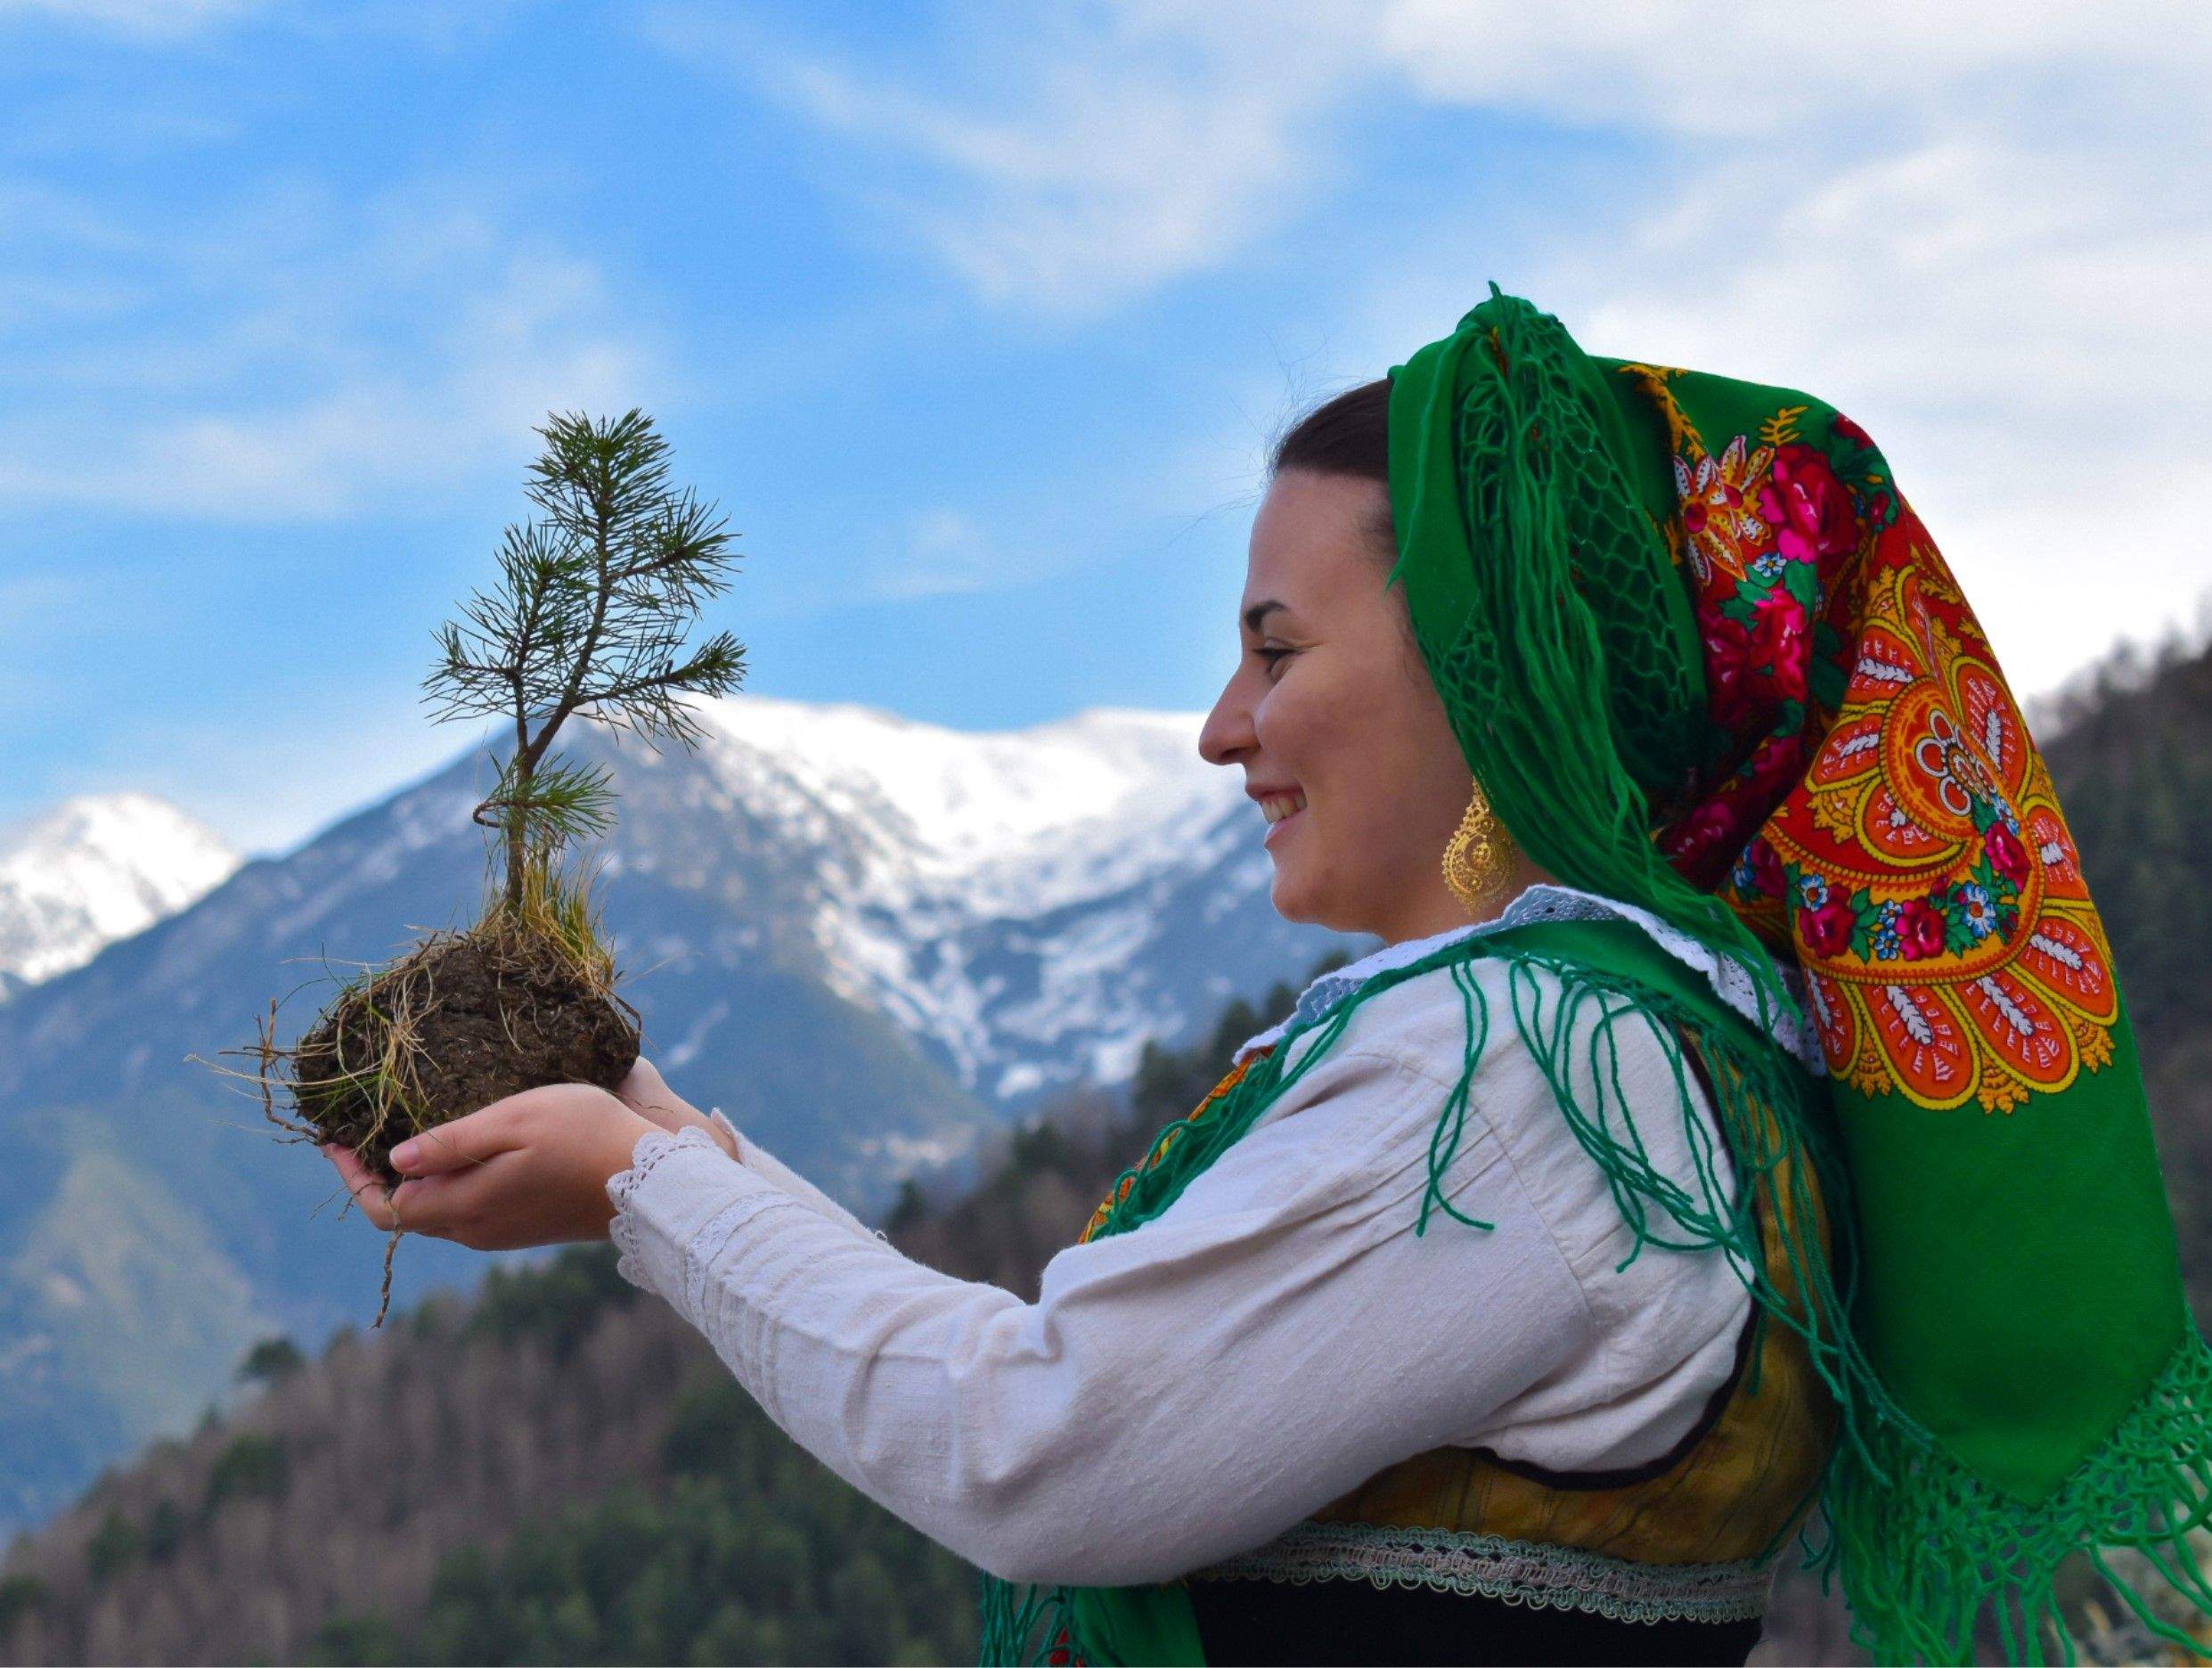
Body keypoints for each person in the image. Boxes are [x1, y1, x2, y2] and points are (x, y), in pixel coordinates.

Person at [324, 290, 2211, 1666]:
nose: (1224, 728)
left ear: (1485, 669)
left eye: (1277, 649)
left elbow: (1037, 1442)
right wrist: (652, 1144)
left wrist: (645, 1193)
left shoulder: (1532, 1072)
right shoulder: (1682, 1047)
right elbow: (1075, 1393)